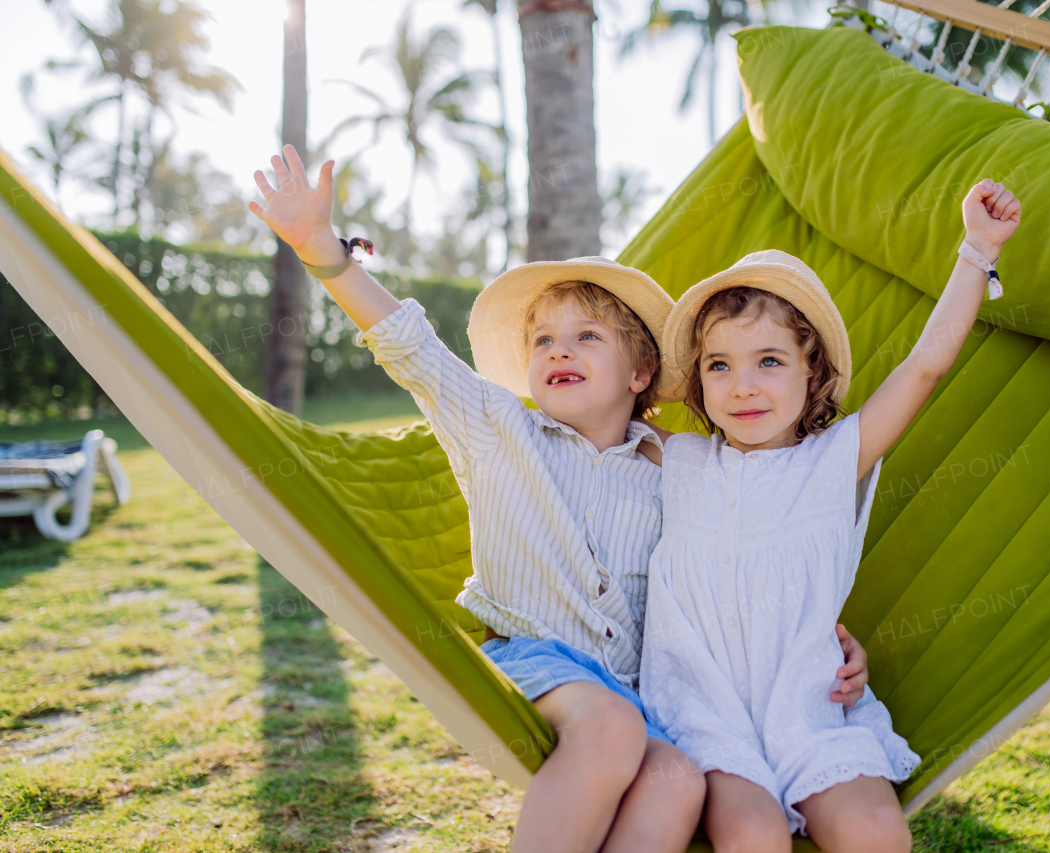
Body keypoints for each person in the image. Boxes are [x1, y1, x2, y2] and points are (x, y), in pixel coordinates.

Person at [248, 145, 872, 853]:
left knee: (677, 782)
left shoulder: (680, 468)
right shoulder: (496, 427)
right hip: (534, 658)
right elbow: (410, 345)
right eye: (543, 338)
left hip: (639, 692)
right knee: (611, 730)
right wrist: (320, 248)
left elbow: (748, 561)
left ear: (641, 371)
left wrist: (823, 642)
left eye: (585, 336)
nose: (557, 350)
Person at [641, 180, 1022, 852]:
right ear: (698, 381)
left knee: (877, 830)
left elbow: (926, 367)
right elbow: (591, 425)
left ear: (811, 372)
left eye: (769, 361)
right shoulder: (678, 460)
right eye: (719, 365)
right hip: (706, 714)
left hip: (810, 706)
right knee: (753, 835)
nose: (744, 385)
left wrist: (977, 251)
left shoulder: (832, 460)